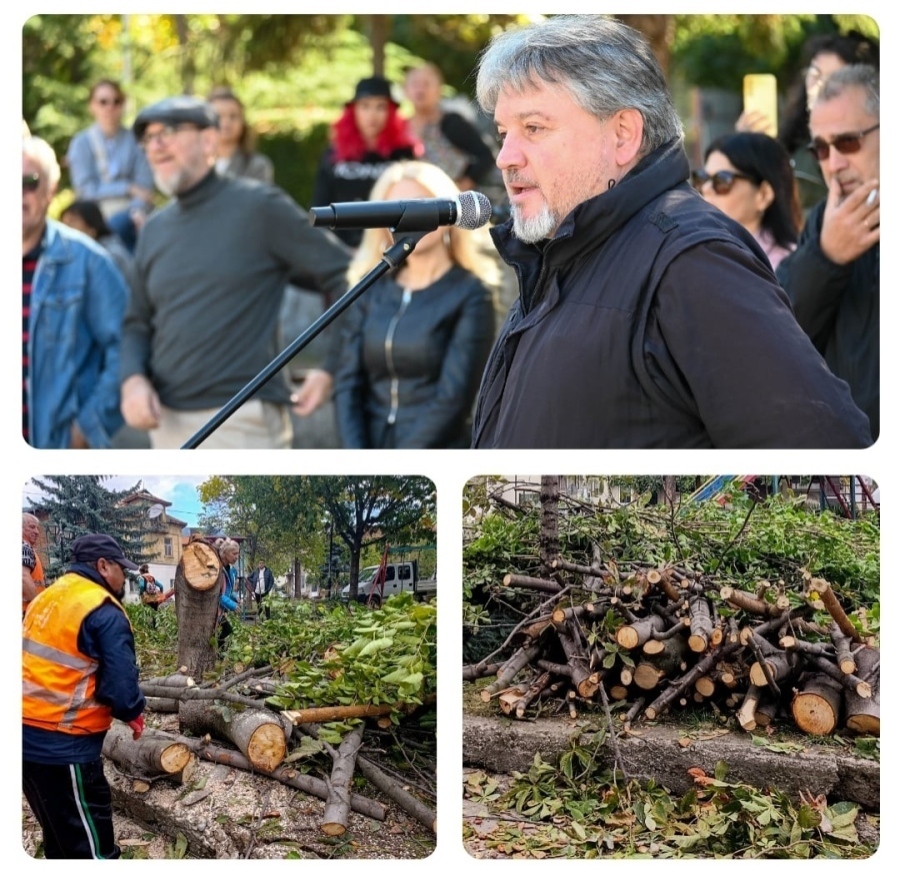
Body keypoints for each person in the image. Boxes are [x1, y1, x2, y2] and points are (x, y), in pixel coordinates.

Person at [470, 14, 871, 449]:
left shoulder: (693, 261)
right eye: (504, 133)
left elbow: (825, 448)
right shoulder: (557, 254)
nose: (505, 157)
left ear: (623, 134)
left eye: (533, 128)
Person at [119, 95, 352, 449]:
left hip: (243, 423)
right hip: (166, 425)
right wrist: (132, 380)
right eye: (148, 138)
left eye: (167, 132)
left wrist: (331, 367)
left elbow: (350, 275)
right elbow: (135, 322)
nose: (156, 146)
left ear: (208, 140)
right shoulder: (154, 229)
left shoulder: (259, 207)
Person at [332, 160, 497, 448]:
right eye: (397, 209)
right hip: (369, 454)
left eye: (421, 204)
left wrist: (400, 467)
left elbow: (453, 399)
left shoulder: (471, 293)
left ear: (449, 214)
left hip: (434, 456)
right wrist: (358, 459)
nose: (410, 218)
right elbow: (347, 384)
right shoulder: (370, 289)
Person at [22, 534, 145, 859]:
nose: (123, 578)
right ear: (103, 566)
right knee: (92, 853)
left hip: (23, 740)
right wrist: (133, 708)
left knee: (61, 840)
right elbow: (122, 691)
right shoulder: (102, 609)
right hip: (63, 747)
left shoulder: (46, 598)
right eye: (121, 569)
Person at [776, 64, 879, 442]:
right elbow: (780, 337)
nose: (834, 164)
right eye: (821, 148)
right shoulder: (824, 221)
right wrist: (825, 257)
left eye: (848, 142)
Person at [23, 136, 129, 449]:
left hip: (56, 450)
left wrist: (87, 428)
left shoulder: (90, 262)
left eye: (29, 182)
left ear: (50, 190)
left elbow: (127, 347)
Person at [740, 31, 879, 212]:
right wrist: (746, 149)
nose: (819, 86)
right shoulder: (790, 140)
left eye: (848, 142)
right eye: (815, 74)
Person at [311, 75, 421, 248]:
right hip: (342, 249)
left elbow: (414, 207)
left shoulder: (404, 153)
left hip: (391, 249)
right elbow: (320, 204)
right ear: (353, 110)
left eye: (380, 107)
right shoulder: (334, 153)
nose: (372, 115)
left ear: (391, 112)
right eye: (365, 106)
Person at [66, 79, 155, 251]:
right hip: (94, 218)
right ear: (92, 106)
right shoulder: (81, 143)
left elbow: (144, 188)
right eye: (103, 102)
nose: (110, 107)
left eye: (116, 101)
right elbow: (85, 191)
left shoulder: (136, 141)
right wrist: (127, 188)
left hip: (133, 215)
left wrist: (136, 210)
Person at [692, 132, 801, 271]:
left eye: (722, 180)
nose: (706, 188)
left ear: (764, 195)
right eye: (702, 178)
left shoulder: (786, 268)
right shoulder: (699, 253)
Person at [403, 63, 496, 191]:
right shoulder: (399, 128)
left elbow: (485, 156)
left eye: (426, 84)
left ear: (438, 90)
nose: (420, 90)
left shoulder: (452, 123)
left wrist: (460, 188)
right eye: (415, 84)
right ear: (405, 90)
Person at [60, 199, 137, 289]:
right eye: (63, 225)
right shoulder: (67, 257)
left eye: (71, 223)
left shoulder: (112, 255)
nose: (65, 231)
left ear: (91, 228)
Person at [207, 86, 274, 183]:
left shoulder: (257, 165)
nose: (226, 122)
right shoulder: (194, 165)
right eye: (219, 116)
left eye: (233, 116)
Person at [215, 539, 241, 653]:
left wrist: (234, 597)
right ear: (225, 553)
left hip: (220, 608)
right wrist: (233, 605)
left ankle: (220, 654)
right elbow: (217, 595)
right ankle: (219, 655)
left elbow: (227, 589)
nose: (237, 557)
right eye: (234, 553)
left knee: (225, 630)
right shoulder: (218, 568)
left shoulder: (228, 568)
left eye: (238, 554)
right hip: (212, 608)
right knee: (226, 630)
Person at [22, 512, 45, 615]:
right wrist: (40, 606)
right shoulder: (24, 547)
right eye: (32, 527)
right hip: (27, 611)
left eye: (37, 528)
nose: (37, 532)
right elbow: (23, 578)